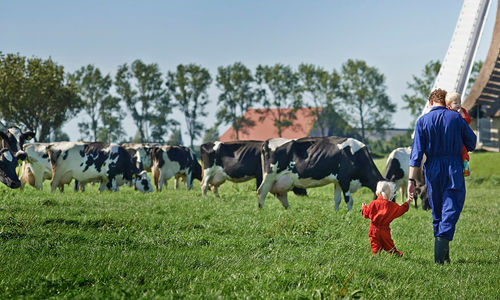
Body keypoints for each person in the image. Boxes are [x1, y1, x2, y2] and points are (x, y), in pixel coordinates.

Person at [408, 89, 476, 264]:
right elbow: (472, 143)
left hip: (432, 168)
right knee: (451, 206)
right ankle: (439, 258)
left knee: (437, 210)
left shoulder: (422, 121)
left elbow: (416, 154)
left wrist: (411, 181)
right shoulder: (455, 118)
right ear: (445, 102)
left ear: (431, 103)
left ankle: (444, 257)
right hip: (452, 166)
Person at [362, 181, 411, 256]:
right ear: (389, 193)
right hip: (385, 231)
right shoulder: (391, 205)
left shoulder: (373, 203)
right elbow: (401, 210)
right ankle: (396, 254)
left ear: (377, 192)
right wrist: (407, 202)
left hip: (373, 230)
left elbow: (366, 214)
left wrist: (364, 207)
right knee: (390, 246)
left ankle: (375, 255)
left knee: (375, 247)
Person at [445, 92, 472, 176]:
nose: (458, 105)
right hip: (450, 138)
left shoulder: (462, 111)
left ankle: (465, 166)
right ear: (449, 106)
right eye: (455, 103)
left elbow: (467, 121)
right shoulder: (448, 113)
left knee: (463, 150)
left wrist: (462, 114)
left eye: (459, 102)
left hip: (460, 137)